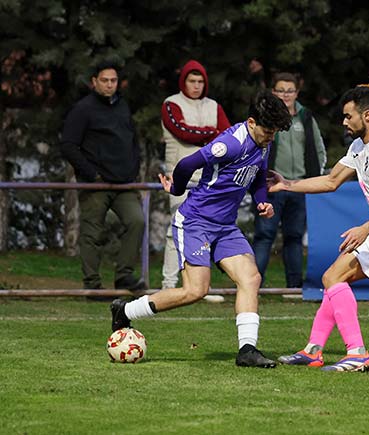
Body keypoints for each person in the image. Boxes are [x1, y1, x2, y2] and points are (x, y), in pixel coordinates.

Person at [110, 90, 293, 368]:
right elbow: (186, 164)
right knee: (196, 290)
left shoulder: (263, 143)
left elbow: (257, 178)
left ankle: (247, 350)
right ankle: (126, 309)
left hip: (225, 227)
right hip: (195, 221)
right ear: (252, 122)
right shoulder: (230, 144)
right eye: (268, 131)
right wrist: (178, 189)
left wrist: (262, 202)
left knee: (251, 278)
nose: (271, 137)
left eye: (275, 132)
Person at [270, 86, 369, 372]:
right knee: (334, 278)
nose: (344, 122)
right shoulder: (359, 146)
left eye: (348, 116)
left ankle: (358, 353)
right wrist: (287, 184)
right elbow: (331, 181)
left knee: (333, 276)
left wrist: (366, 228)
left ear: (367, 116)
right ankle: (314, 350)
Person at [60, 60, 145, 292]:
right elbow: (68, 145)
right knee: (92, 233)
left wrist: (133, 168)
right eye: (105, 80)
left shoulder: (123, 106)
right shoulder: (83, 109)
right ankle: (92, 285)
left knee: (137, 221)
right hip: (95, 184)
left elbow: (132, 140)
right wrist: (90, 174)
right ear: (94, 82)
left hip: (124, 182)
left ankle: (124, 275)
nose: (109, 85)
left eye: (114, 80)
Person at [161, 60, 231, 294]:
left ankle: (200, 287)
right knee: (175, 231)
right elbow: (182, 131)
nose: (196, 85)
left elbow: (227, 136)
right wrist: (212, 135)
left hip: (210, 179)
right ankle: (168, 284)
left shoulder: (214, 105)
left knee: (205, 232)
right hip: (180, 176)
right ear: (183, 81)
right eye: (192, 81)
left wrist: (209, 137)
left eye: (200, 81)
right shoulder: (171, 104)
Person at [253, 72, 327, 288]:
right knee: (264, 235)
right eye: (281, 90)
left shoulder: (306, 117)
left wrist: (314, 177)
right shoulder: (264, 116)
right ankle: (254, 284)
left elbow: (319, 150)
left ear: (297, 93)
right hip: (271, 187)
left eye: (290, 91)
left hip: (299, 186)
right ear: (273, 92)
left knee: (294, 238)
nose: (285, 95)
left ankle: (294, 287)